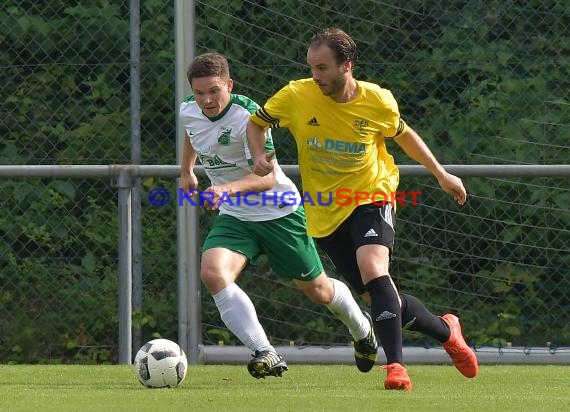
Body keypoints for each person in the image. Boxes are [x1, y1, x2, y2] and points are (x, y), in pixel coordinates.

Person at [247, 27, 478, 391]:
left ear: (347, 65)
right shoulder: (296, 95)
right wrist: (259, 155)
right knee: (383, 299)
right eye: (312, 68)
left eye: (323, 68)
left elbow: (403, 134)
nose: (316, 76)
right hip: (325, 212)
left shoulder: (377, 100)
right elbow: (256, 123)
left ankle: (396, 367)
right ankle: (447, 331)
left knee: (374, 268)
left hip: (373, 194)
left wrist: (441, 174)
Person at [179, 52, 378, 379]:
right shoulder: (189, 108)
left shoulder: (249, 117)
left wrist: (224, 190)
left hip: (279, 211)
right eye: (200, 93)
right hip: (236, 216)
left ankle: (361, 329)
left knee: (319, 291)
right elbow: (193, 131)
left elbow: (267, 178)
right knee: (213, 273)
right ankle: (264, 351)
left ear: (229, 84)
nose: (207, 100)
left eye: (214, 91)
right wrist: (187, 170)